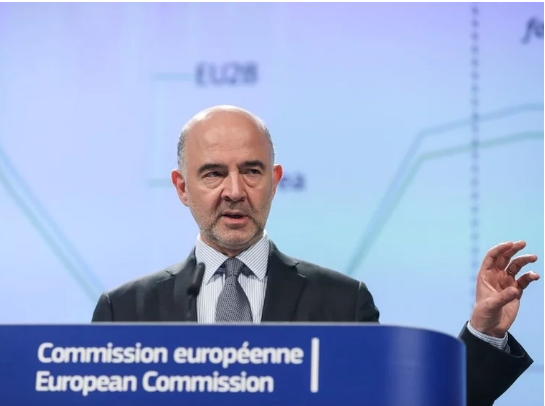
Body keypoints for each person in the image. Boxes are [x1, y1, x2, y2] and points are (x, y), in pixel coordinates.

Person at [92, 105, 540, 406]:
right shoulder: (125, 311)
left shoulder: (342, 303)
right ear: (182, 187)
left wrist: (484, 334)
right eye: (213, 174)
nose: (235, 191)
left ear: (274, 181)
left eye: (252, 171)